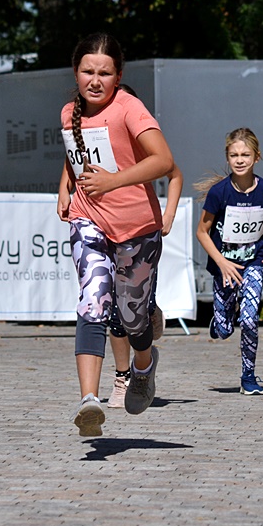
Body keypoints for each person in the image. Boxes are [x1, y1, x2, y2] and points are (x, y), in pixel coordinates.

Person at [57, 32, 174, 437]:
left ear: (118, 76)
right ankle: (88, 401)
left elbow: (164, 160)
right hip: (88, 219)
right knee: (93, 299)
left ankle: (144, 364)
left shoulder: (129, 108)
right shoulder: (68, 112)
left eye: (104, 73)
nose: (95, 80)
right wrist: (65, 186)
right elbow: (77, 155)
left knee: (132, 318)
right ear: (76, 72)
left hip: (137, 228)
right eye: (87, 71)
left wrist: (114, 181)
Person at [103, 82, 184, 409]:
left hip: (141, 233)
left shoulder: (145, 145)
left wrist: (169, 213)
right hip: (106, 230)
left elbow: (175, 174)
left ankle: (150, 313)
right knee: (114, 313)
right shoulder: (97, 141)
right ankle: (122, 377)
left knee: (132, 312)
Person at [195, 128, 263, 395]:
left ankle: (248, 376)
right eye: (234, 155)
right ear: (227, 157)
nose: (240, 160)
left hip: (253, 261)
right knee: (224, 331)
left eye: (245, 155)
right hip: (225, 266)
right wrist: (221, 262)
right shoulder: (219, 192)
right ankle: (220, 320)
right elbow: (202, 232)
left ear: (257, 157)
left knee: (249, 319)